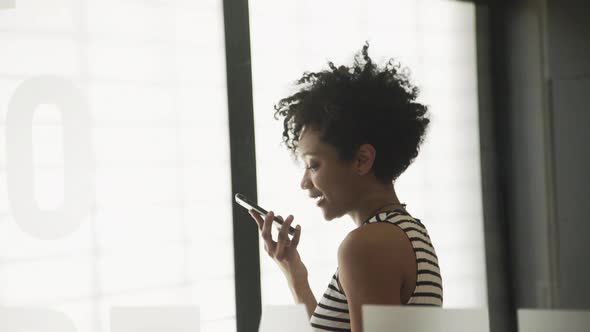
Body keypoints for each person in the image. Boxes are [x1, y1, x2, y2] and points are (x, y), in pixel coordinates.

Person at [248, 44, 443, 332]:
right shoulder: (407, 232)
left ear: (362, 159)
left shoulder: (366, 245)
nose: (304, 183)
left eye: (313, 165)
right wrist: (294, 273)